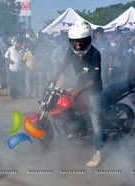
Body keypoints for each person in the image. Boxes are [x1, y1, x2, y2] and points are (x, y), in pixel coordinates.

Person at [53, 21, 103, 167]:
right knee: (68, 106)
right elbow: (64, 63)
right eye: (74, 41)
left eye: (81, 41)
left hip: (93, 89)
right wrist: (55, 74)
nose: (78, 45)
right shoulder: (71, 51)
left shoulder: (95, 54)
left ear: (88, 39)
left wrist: (78, 90)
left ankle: (98, 151)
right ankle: (75, 130)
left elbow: (95, 80)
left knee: (95, 119)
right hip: (79, 85)